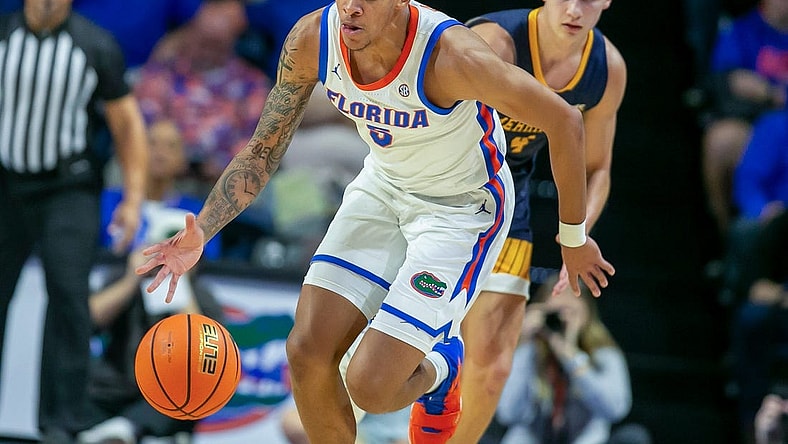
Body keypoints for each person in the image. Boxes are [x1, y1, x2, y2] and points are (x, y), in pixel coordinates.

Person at [136, 1, 614, 443]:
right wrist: (205, 228)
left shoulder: (450, 54)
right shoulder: (313, 38)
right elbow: (264, 151)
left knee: (372, 387)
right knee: (306, 352)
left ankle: (443, 366)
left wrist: (572, 238)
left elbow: (565, 123)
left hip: (461, 208)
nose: (352, 7)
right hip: (383, 187)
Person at [454, 1, 627, 441]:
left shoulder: (606, 68)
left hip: (509, 193)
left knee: (493, 368)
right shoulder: (496, 42)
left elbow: (596, 168)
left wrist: (578, 236)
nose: (574, 9)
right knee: (404, 349)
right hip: (440, 181)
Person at [0, 0, 148, 442]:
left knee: (68, 298)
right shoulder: (4, 37)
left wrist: (133, 198)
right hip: (6, 185)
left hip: (68, 187)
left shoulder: (94, 45)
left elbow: (127, 125)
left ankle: (61, 423)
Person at [76, 244, 222, 444]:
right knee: (74, 389)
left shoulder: (201, 295)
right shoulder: (122, 279)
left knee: (190, 398)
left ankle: (125, 428)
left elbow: (204, 349)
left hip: (166, 395)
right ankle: (116, 429)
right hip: (115, 387)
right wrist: (132, 279)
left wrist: (179, 287)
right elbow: (87, 321)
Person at [495, 273, 634, 444]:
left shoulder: (604, 353)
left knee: (634, 436)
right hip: (536, 438)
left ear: (586, 313)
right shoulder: (530, 353)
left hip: (586, 440)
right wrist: (526, 341)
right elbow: (508, 413)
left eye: (570, 311)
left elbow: (615, 409)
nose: (562, 318)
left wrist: (570, 355)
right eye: (557, 312)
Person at [700, 0, 788, 240]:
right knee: (723, 140)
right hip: (754, 123)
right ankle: (726, 237)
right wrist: (771, 95)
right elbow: (728, 83)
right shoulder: (742, 30)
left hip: (780, 121)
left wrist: (766, 90)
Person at [99, 119, 222, 261]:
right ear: (137, 151)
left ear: (182, 160)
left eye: (171, 146)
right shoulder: (108, 201)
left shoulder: (199, 213)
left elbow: (208, 264)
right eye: (152, 143)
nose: (160, 153)